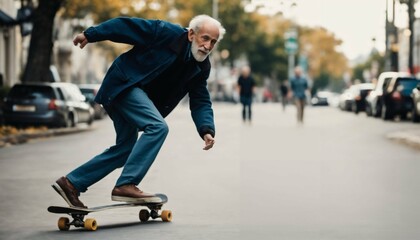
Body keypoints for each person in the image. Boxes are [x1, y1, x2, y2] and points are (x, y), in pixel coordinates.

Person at [52, 15, 226, 208]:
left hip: (132, 94)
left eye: (213, 42)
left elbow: (200, 99)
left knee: (125, 149)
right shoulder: (165, 32)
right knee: (157, 127)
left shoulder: (201, 66)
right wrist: (91, 34)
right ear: (192, 34)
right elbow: (124, 26)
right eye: (205, 38)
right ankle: (126, 184)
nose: (208, 46)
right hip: (124, 85)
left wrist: (206, 129)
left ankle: (71, 183)